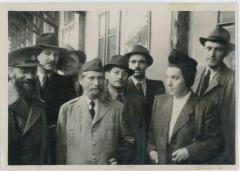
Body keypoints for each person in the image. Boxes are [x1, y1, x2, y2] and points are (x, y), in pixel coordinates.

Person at [147, 49, 224, 164]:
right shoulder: (159, 101)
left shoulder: (204, 106)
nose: (169, 83)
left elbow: (216, 142)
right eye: (167, 77)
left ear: (187, 79)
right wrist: (151, 150)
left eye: (175, 78)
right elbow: (152, 133)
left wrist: (189, 152)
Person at [56, 58, 134, 165]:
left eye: (100, 78)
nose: (96, 83)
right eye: (91, 78)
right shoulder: (67, 110)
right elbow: (61, 148)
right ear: (81, 80)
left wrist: (119, 157)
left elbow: (128, 140)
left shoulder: (118, 108)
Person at [192, 26, 235, 164]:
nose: (212, 54)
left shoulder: (233, 80)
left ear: (225, 53)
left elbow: (232, 124)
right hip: (193, 147)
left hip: (218, 151)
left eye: (218, 49)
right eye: (209, 48)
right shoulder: (198, 72)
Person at [35, 33, 76, 163]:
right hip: (30, 146)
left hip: (55, 145)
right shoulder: (25, 80)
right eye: (47, 53)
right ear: (37, 55)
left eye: (56, 54)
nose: (52, 59)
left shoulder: (66, 82)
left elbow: (72, 115)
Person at [8, 46, 50, 165]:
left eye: (32, 71)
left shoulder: (37, 102)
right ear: (10, 72)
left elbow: (44, 147)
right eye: (23, 71)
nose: (30, 76)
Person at [104, 55, 147, 164]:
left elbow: (141, 135)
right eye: (116, 72)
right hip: (105, 159)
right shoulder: (99, 100)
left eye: (124, 73)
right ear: (107, 75)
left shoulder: (138, 101)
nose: (120, 76)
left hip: (132, 160)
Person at [125, 45, 165, 130]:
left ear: (147, 64)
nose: (137, 66)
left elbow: (161, 115)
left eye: (141, 62)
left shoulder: (158, 86)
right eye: (133, 62)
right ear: (128, 64)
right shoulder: (123, 87)